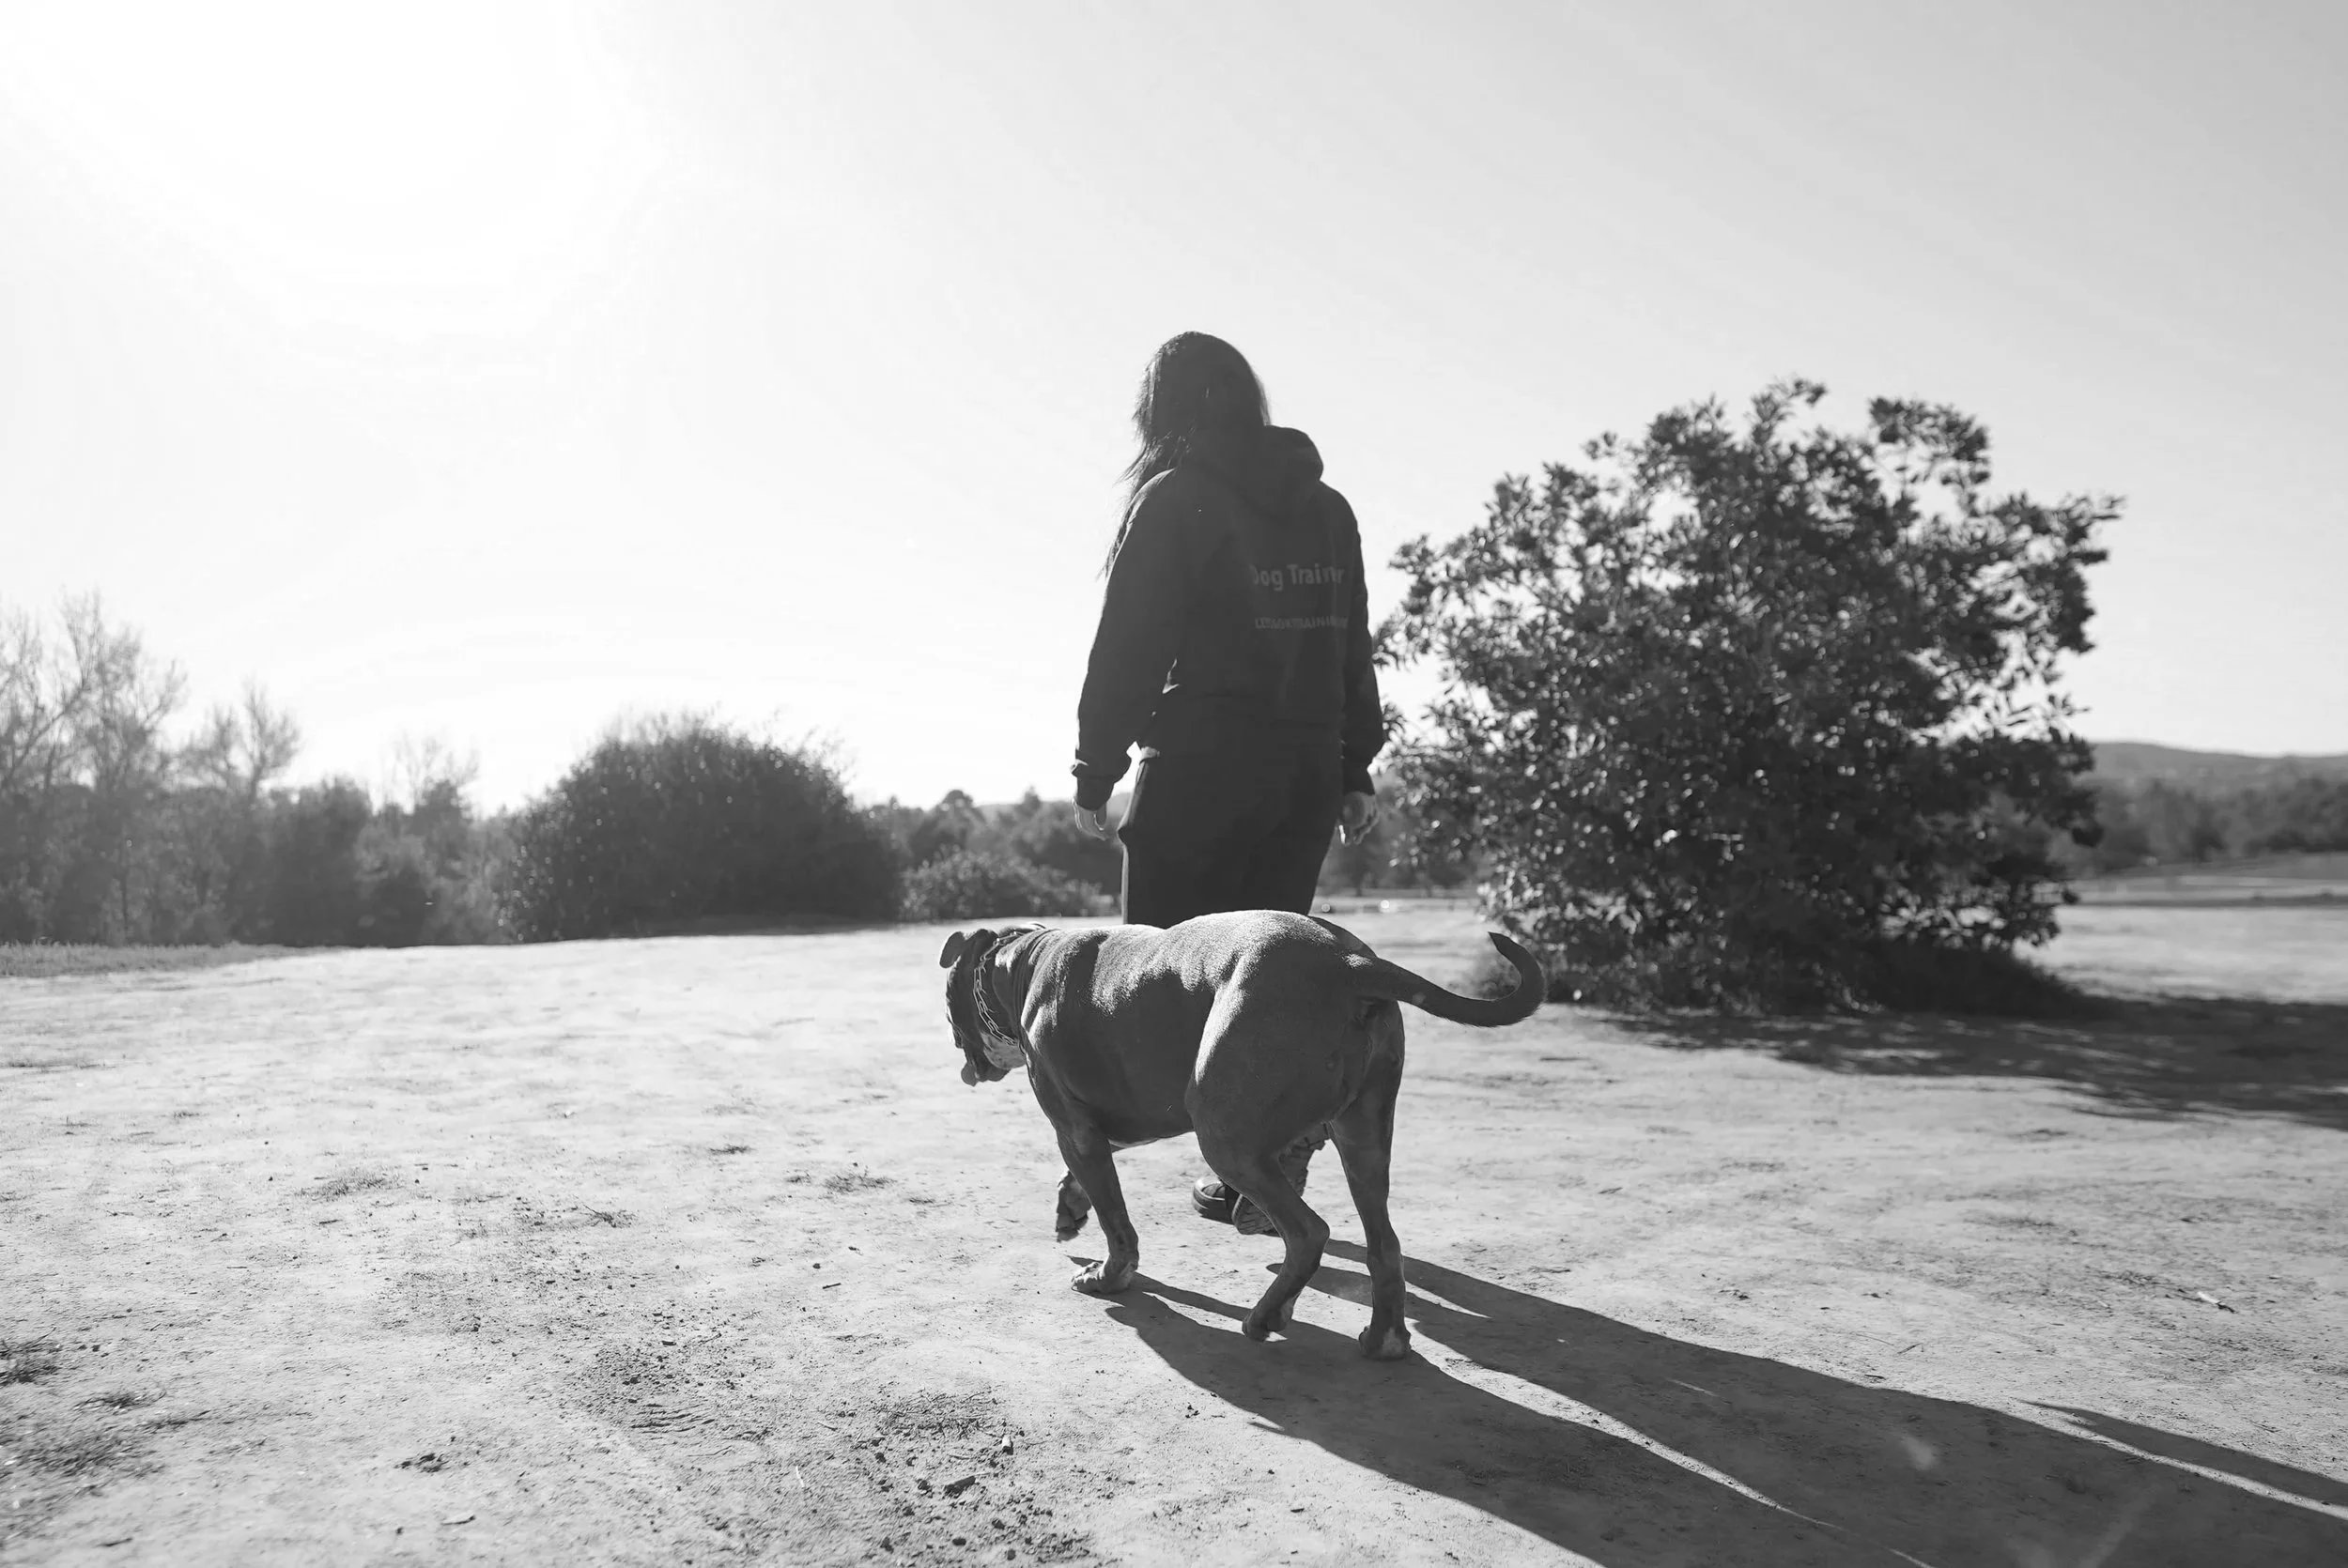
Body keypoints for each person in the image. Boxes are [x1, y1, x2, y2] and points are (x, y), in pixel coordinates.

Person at [1070, 331, 1384, 1236]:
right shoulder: (1327, 509)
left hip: (1203, 773)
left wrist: (1098, 769)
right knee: (1273, 984)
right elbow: (1346, 647)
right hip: (1298, 781)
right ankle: (1263, 1169)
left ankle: (1116, 1179)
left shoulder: (1179, 499)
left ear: (1161, 411)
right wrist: (1352, 766)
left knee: (1150, 981)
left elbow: (1130, 642)